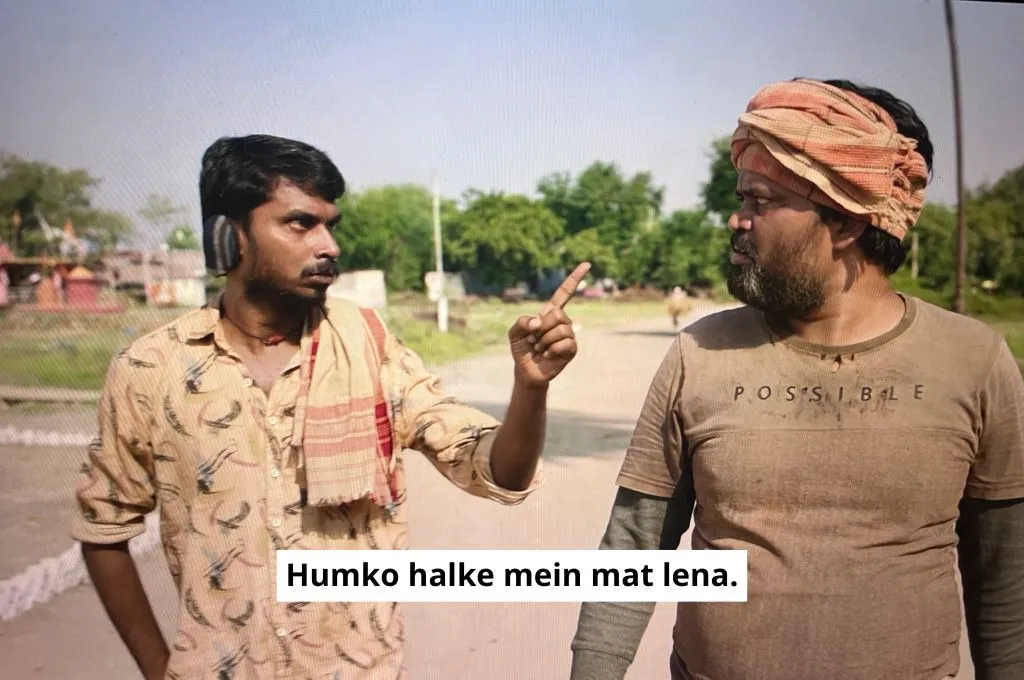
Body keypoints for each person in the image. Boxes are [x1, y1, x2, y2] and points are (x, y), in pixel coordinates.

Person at [71, 133, 591, 680]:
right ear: (229, 236)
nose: (329, 246)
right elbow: (103, 528)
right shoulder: (152, 369)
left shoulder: (370, 348)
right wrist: (158, 670)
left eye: (330, 225)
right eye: (300, 224)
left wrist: (531, 387)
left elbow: (500, 473)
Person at [570, 78, 1024, 680]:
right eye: (742, 197)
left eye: (760, 201)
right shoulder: (699, 353)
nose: (737, 220)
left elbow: (1005, 583)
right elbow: (632, 551)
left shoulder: (973, 361)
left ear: (845, 222)